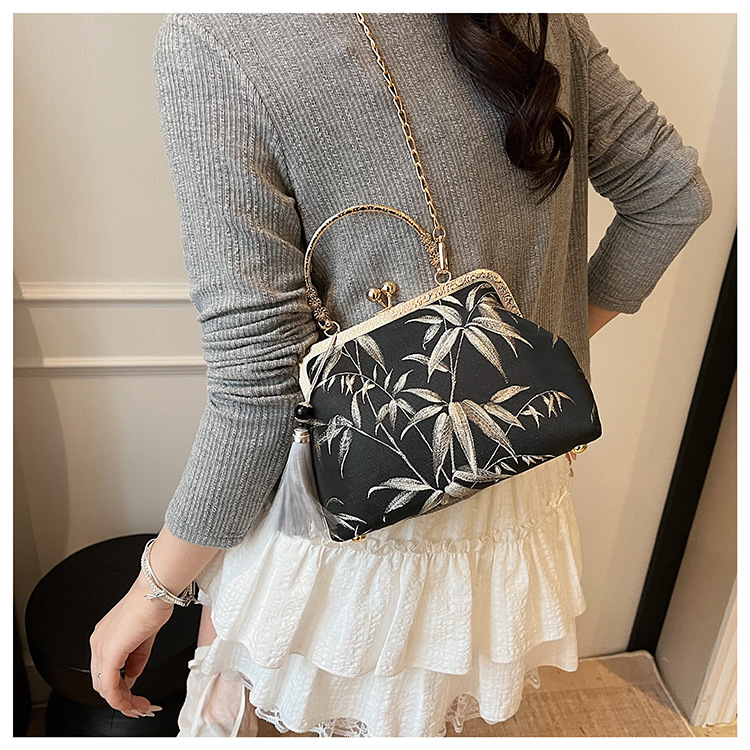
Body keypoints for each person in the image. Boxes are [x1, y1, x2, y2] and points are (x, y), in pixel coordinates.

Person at [89, 12, 711, 736]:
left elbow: (259, 390)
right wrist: (530, 364)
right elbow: (673, 196)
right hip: (509, 477)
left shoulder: (218, 39)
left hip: (358, 511)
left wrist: (154, 590)